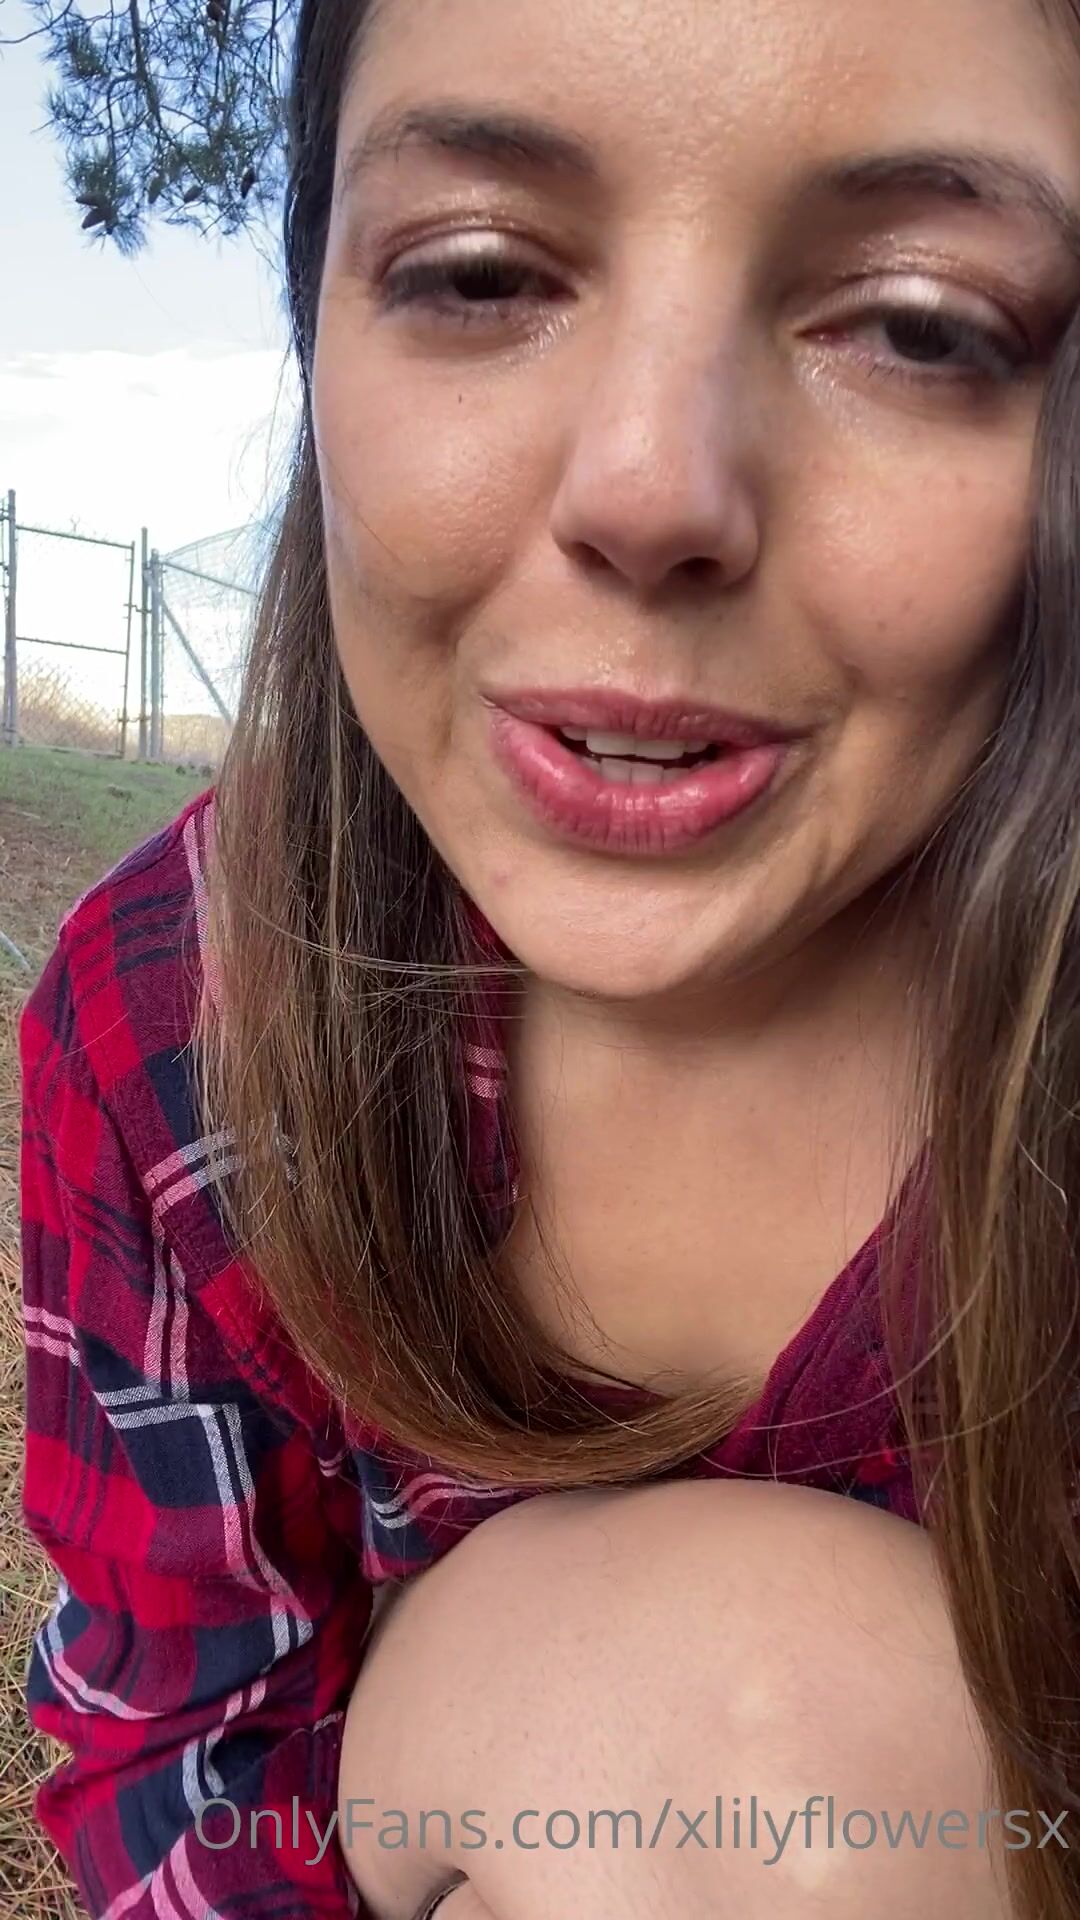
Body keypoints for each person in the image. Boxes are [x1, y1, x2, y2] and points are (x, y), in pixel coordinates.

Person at [19, 0, 1080, 1915]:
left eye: (922, 323)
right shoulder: (174, 1022)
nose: (652, 489)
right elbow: (182, 1749)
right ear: (313, 324)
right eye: (479, 273)